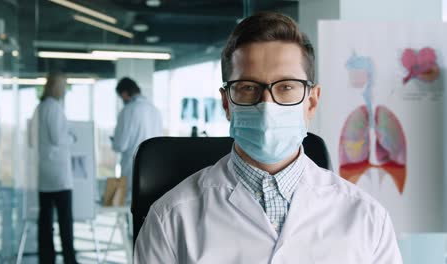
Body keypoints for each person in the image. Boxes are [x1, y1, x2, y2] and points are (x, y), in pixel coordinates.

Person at [133, 12, 403, 263]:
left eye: (286, 87)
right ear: (227, 103)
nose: (267, 105)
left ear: (311, 102)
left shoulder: (367, 219)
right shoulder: (170, 219)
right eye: (248, 87)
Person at [33, 72, 78, 264]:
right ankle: (69, 259)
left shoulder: (39, 108)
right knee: (65, 221)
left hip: (45, 173)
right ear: (56, 87)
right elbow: (58, 138)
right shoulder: (54, 108)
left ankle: (46, 258)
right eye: (63, 85)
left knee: (45, 221)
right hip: (59, 175)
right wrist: (72, 137)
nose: (65, 90)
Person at [112, 77, 163, 203]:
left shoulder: (128, 110)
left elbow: (120, 145)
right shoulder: (155, 110)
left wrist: (114, 141)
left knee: (130, 208)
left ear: (124, 93)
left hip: (132, 167)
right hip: (154, 168)